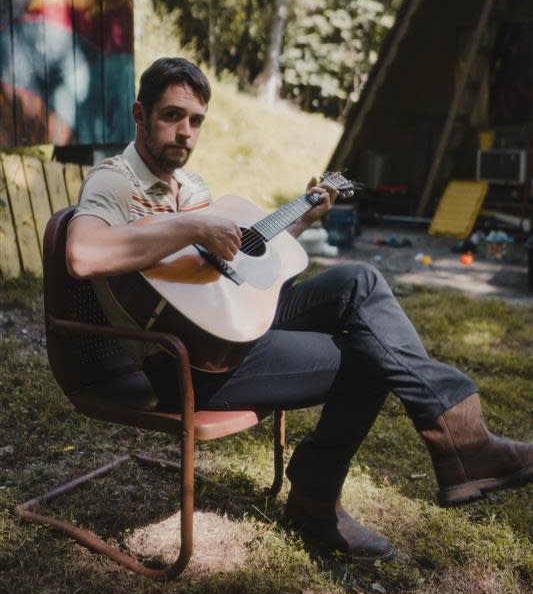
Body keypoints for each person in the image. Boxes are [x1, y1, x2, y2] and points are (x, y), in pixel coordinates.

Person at [67, 57, 533, 561]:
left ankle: (463, 436)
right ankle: (316, 498)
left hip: (230, 321)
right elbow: (83, 253)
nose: (185, 132)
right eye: (171, 116)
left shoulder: (193, 188)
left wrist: (301, 219)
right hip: (187, 360)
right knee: (369, 354)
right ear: (140, 114)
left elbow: (222, 266)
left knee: (361, 281)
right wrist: (192, 228)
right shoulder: (114, 182)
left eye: (195, 121)